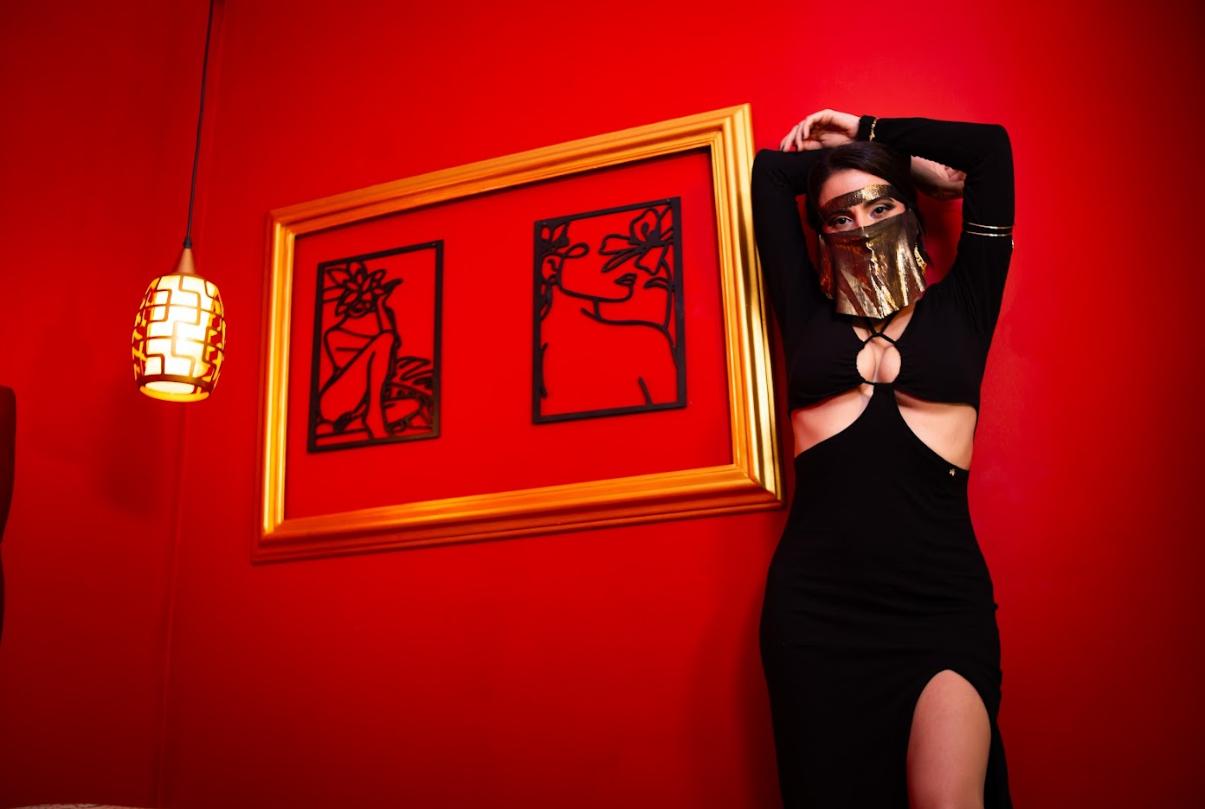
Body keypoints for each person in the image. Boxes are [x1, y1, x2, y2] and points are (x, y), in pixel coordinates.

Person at [752, 108, 1015, 808]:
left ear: (911, 209)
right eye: (838, 216)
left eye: (881, 205)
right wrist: (865, 161)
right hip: (816, 610)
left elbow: (988, 151)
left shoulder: (964, 305)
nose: (861, 225)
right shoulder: (803, 311)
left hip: (940, 603)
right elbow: (769, 174)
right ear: (820, 233)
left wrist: (871, 132)